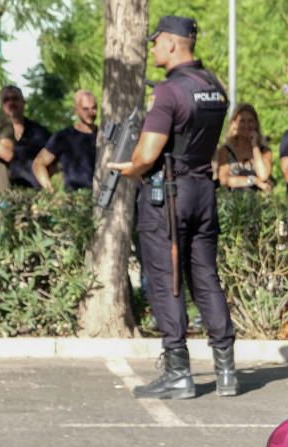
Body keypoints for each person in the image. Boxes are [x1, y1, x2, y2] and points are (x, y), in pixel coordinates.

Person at [106, 15, 239, 399]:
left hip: (168, 194)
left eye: (155, 42)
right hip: (202, 189)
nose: (152, 48)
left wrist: (127, 168)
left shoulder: (169, 92)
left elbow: (147, 154)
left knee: (166, 280)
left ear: (171, 42)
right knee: (206, 277)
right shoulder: (215, 87)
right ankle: (226, 371)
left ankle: (179, 372)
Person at [33, 90, 98, 192]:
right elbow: (38, 163)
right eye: (85, 109)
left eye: (94, 108)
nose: (91, 112)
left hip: (103, 197)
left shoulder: (104, 136)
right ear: (76, 110)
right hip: (76, 199)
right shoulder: (63, 137)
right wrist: (49, 189)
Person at [0, 86, 50, 189]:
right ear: (1, 105)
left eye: (15, 98)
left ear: (23, 102)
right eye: (6, 100)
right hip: (1, 194)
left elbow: (54, 163)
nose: (11, 103)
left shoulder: (40, 132)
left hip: (33, 194)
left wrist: (43, 184)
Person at [216, 103, 272, 193]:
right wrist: (254, 180)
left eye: (250, 121)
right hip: (234, 203)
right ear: (234, 124)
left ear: (256, 124)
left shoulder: (265, 151)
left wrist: (255, 146)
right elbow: (224, 180)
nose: (246, 125)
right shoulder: (225, 150)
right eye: (242, 121)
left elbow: (263, 175)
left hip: (259, 203)